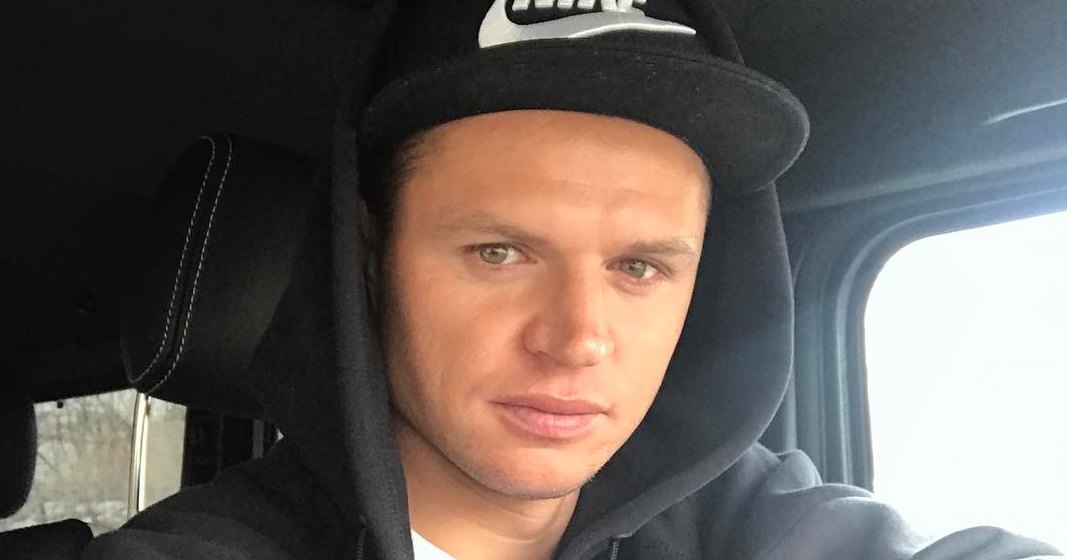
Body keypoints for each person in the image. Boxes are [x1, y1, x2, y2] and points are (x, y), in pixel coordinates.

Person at [84, 1, 1064, 559]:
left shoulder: (751, 520)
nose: (577, 337)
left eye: (639, 265)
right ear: (370, 260)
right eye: (498, 252)